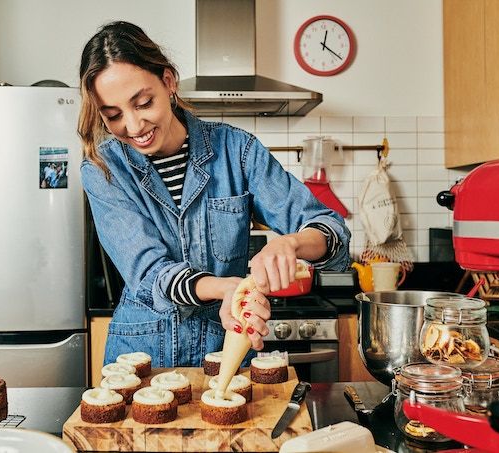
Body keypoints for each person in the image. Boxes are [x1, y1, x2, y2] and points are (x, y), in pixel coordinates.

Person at [78, 21, 351, 368]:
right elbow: (149, 273)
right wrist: (226, 289)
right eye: (113, 115)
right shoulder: (104, 169)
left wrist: (292, 243)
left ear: (168, 82)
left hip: (228, 345)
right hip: (141, 356)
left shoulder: (237, 150)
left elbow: (330, 227)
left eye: (143, 103)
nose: (133, 127)